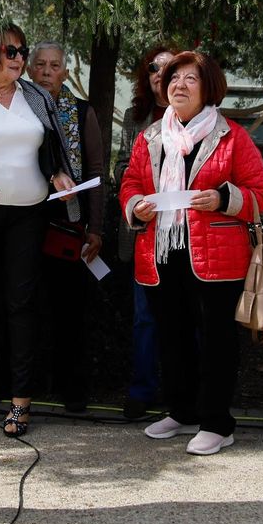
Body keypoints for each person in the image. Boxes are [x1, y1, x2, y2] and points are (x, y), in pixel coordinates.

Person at [120, 51, 263, 456]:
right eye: (173, 79)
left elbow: (258, 196)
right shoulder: (151, 137)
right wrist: (136, 206)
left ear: (209, 88)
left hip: (216, 256)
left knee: (217, 339)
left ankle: (218, 422)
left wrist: (222, 198)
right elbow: (131, 182)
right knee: (172, 334)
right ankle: (181, 410)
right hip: (161, 251)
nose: (178, 85)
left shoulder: (231, 136)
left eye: (189, 79)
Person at [0, 25, 76, 438]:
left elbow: (52, 152)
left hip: (28, 213)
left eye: (21, 50)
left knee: (21, 305)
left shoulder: (37, 96)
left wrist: (61, 176)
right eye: (9, 49)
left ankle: (20, 402)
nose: (17, 56)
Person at [28, 41, 107, 413]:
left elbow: (94, 170)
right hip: (25, 217)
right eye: (40, 64)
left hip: (69, 222)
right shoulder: (20, 105)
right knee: (24, 305)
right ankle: (21, 386)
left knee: (70, 310)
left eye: (54, 65)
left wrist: (95, 227)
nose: (46, 71)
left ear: (64, 71)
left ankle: (72, 389)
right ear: (29, 69)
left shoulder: (81, 110)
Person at [114, 43, 177, 420]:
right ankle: (142, 391)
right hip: (145, 231)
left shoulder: (202, 118)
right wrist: (141, 191)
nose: (159, 74)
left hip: (188, 233)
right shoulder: (136, 117)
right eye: (153, 68)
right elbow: (122, 167)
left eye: (168, 68)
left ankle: (182, 392)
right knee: (145, 317)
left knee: (187, 317)